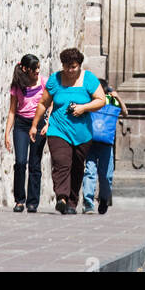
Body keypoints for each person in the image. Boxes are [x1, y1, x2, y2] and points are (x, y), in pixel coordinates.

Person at [29, 47, 107, 214]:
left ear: (79, 65)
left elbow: (101, 100)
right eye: (66, 66)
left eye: (74, 67)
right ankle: (62, 197)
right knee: (61, 162)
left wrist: (83, 108)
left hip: (82, 133)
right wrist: (35, 125)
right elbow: (43, 103)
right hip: (58, 129)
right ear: (62, 65)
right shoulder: (55, 80)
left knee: (77, 167)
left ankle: (72, 202)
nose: (70, 70)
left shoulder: (89, 79)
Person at [5, 54, 47, 213]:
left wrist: (47, 123)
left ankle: (33, 202)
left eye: (38, 67)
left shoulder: (43, 82)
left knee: (35, 163)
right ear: (25, 69)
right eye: (34, 68)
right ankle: (19, 200)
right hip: (21, 125)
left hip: (39, 123)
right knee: (20, 162)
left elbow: (50, 105)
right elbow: (12, 111)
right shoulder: (17, 86)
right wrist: (7, 134)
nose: (37, 70)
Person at [82, 80, 128, 215]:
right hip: (90, 142)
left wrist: (117, 97)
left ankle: (104, 198)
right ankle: (88, 202)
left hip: (106, 145)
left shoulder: (111, 101)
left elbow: (125, 112)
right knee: (89, 171)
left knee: (106, 176)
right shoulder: (89, 100)